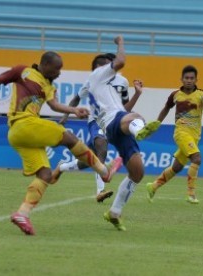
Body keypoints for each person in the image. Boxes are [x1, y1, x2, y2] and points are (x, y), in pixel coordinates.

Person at [0, 51, 119, 235]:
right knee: (69, 137)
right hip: (23, 124)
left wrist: (73, 110)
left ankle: (22, 214)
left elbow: (54, 105)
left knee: (45, 175)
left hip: (17, 134)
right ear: (45, 64)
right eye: (56, 69)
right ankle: (104, 172)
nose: (59, 73)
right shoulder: (23, 71)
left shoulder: (48, 86)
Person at [87, 35, 160, 231]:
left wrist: (136, 94)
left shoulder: (104, 88)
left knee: (137, 172)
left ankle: (114, 213)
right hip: (114, 122)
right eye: (108, 66)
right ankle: (140, 131)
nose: (114, 69)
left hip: (118, 125)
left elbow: (123, 109)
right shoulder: (97, 77)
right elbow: (121, 61)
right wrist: (120, 42)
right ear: (100, 68)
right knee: (135, 117)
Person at [52, 53, 144, 203]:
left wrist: (137, 95)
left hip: (113, 121)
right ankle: (100, 190)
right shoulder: (91, 81)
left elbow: (125, 108)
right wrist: (65, 116)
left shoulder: (122, 82)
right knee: (102, 147)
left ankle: (62, 167)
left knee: (86, 161)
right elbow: (76, 98)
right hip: (96, 121)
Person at [146, 65, 203, 204]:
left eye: (192, 78)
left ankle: (153, 186)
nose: (189, 80)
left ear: (196, 79)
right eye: (186, 78)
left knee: (177, 167)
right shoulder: (175, 95)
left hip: (194, 136)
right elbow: (166, 108)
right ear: (181, 79)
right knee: (197, 159)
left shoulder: (202, 95)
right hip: (181, 133)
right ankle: (191, 194)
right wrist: (157, 123)